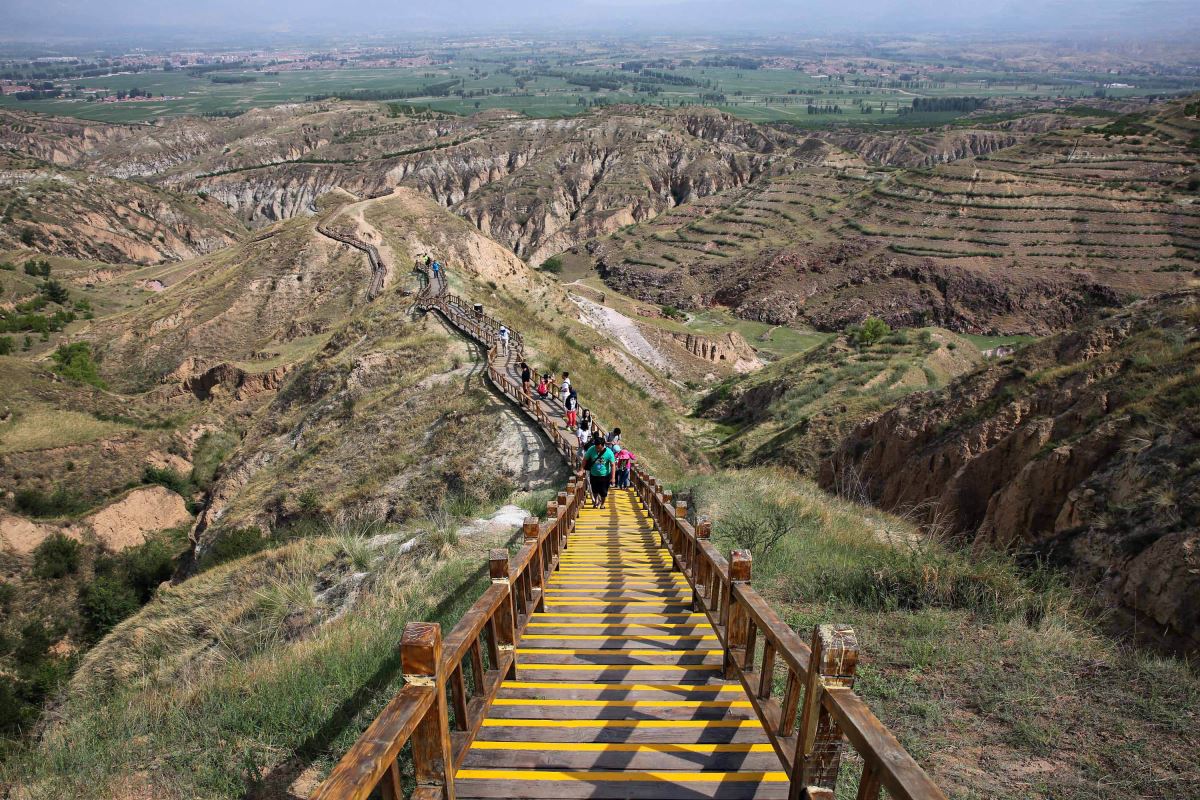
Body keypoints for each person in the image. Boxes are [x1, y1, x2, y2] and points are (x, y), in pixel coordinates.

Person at [583, 437, 617, 509]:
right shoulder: (591, 449)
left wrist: (613, 477)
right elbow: (585, 459)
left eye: (599, 448)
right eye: (596, 447)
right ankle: (596, 500)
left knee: (603, 492)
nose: (597, 449)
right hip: (593, 474)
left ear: (603, 445)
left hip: (605, 475)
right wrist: (581, 469)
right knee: (594, 490)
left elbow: (613, 465)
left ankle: (602, 504)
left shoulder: (609, 452)